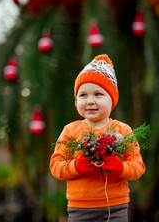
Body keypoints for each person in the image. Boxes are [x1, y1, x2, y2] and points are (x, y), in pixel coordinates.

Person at [49, 54, 145, 222]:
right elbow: (56, 166)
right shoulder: (70, 130)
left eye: (98, 94)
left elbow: (138, 167)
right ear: (76, 100)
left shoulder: (122, 130)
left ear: (112, 99)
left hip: (116, 207)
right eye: (83, 95)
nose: (90, 101)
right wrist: (76, 166)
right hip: (80, 208)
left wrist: (120, 167)